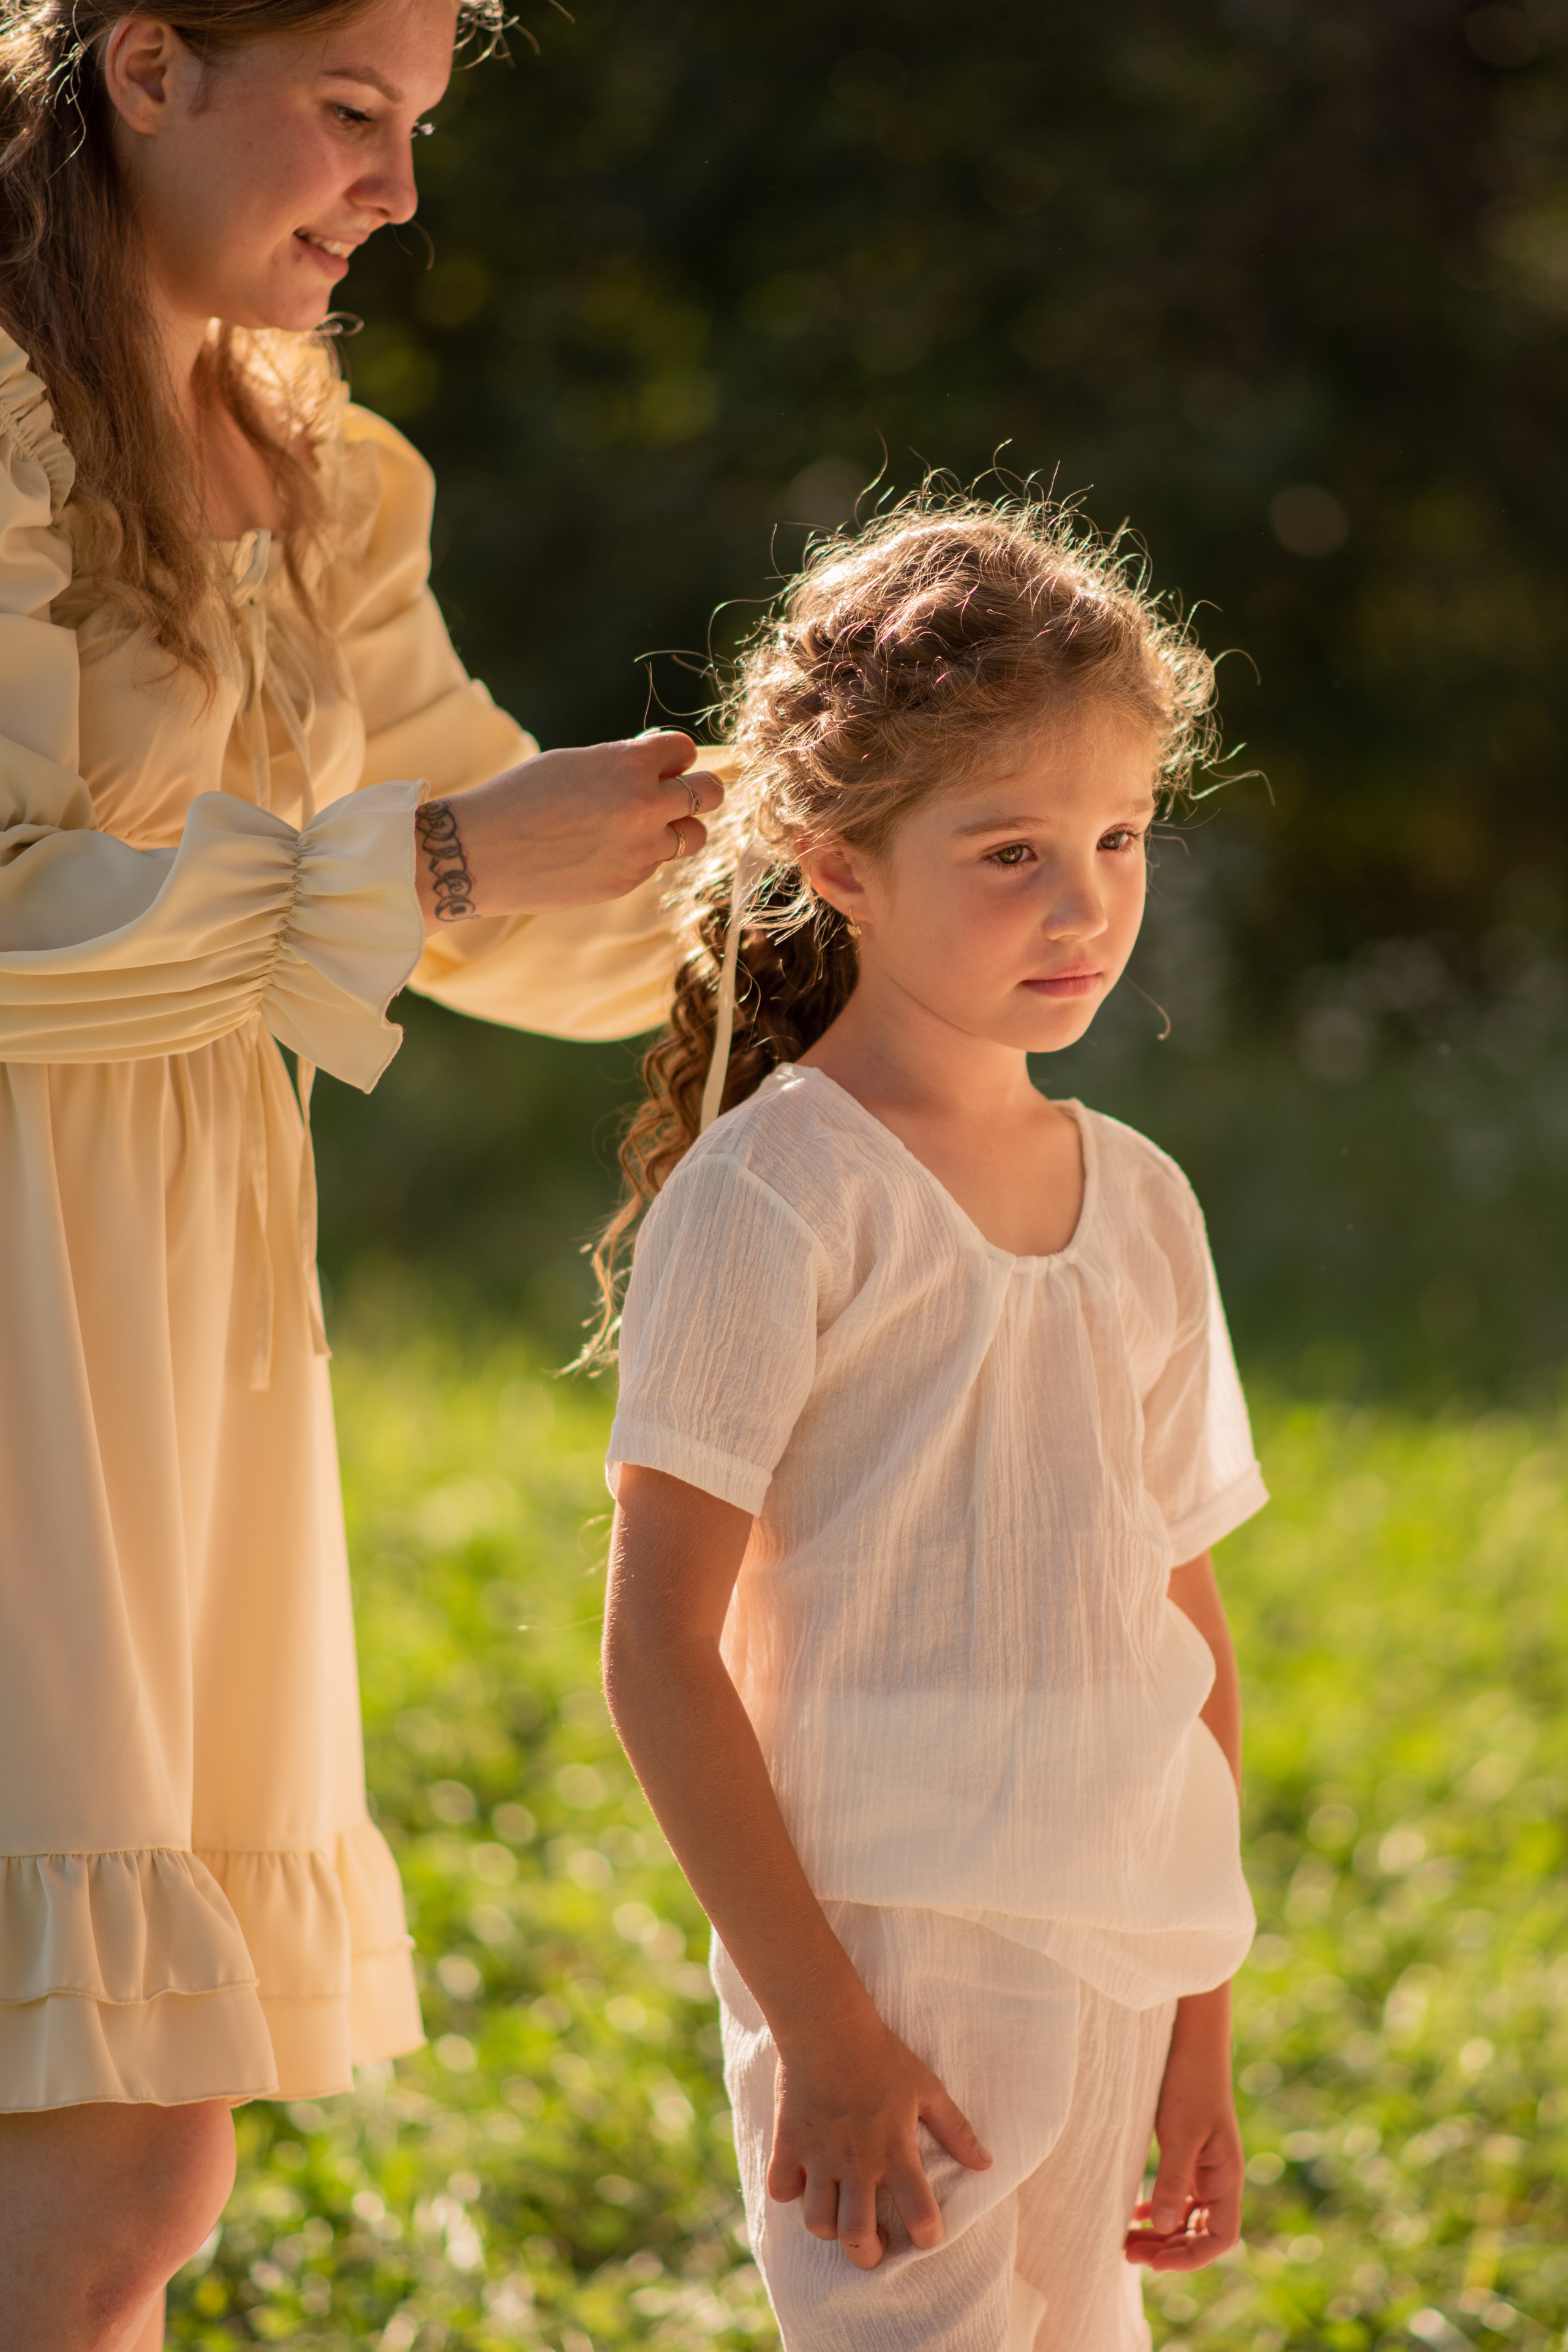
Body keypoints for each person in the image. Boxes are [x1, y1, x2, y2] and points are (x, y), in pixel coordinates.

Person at [0, 1, 721, 2343]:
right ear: (142, 67)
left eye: (416, 125)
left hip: (174, 1363)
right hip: (23, 1326)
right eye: (347, 111)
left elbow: (520, 881)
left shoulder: (321, 476)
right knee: (112, 2164)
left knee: (121, 2155)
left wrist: (860, 874)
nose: (399, 188)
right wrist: (417, 864)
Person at [598, 496, 1268, 2351]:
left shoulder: (1141, 1201)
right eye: (1010, 851)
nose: (1086, 903)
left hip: (1113, 1948)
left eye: (1121, 837)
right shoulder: (776, 1197)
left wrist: (1198, 2023)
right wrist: (823, 2030)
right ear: (840, 864)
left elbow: (1183, 1624)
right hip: (885, 1968)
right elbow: (658, 1647)